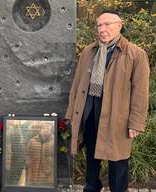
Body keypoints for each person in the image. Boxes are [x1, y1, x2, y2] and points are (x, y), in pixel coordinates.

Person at [65, 10, 150, 192]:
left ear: (119, 26)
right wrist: (72, 114)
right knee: (91, 157)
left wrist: (135, 122)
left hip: (117, 116)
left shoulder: (135, 54)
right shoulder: (89, 51)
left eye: (107, 24)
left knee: (117, 159)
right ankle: (92, 187)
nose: (102, 29)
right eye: (99, 25)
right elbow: (77, 85)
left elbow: (140, 93)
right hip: (89, 111)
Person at [26, 122, 54, 186]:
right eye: (44, 127)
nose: (46, 129)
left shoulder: (54, 141)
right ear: (41, 129)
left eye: (48, 128)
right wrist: (28, 163)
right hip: (34, 172)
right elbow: (27, 153)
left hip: (48, 172)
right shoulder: (32, 140)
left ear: (51, 129)